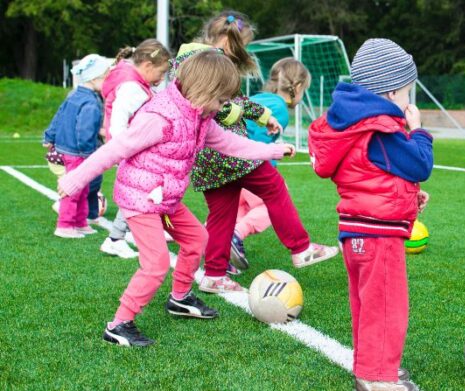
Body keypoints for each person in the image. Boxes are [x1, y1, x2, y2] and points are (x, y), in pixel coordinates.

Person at [57, 51, 296, 347]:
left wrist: (272, 150)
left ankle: (180, 299)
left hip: (165, 199)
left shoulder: (201, 116)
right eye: (221, 100)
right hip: (140, 199)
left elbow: (229, 143)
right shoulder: (159, 117)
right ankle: (118, 324)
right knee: (156, 264)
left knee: (198, 239)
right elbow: (115, 149)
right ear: (204, 90)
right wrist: (75, 179)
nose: (224, 107)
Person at [171, 10, 338, 294]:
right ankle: (301, 247)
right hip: (228, 151)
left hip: (207, 158)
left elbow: (234, 99)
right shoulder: (206, 61)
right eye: (240, 46)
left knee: (222, 214)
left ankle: (213, 274)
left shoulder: (192, 57)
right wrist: (244, 117)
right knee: (274, 187)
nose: (241, 52)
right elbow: (216, 105)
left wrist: (263, 116)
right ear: (227, 40)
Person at [308, 38, 433, 391]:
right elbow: (420, 162)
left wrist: (409, 197)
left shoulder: (353, 125)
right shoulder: (379, 129)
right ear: (391, 92)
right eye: (408, 92)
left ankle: (373, 367)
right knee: (386, 307)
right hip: (378, 234)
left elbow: (374, 175)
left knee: (368, 304)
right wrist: (419, 130)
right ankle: (376, 378)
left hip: (357, 230)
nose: (409, 101)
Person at [229, 57, 311, 270]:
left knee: (235, 210)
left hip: (228, 162)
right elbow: (257, 139)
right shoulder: (280, 110)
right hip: (249, 165)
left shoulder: (260, 98)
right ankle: (236, 235)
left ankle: (212, 241)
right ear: (298, 87)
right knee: (271, 204)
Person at [99, 38, 171, 259]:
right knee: (138, 191)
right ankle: (115, 238)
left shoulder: (137, 83)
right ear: (148, 66)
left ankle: (135, 231)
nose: (161, 80)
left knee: (146, 189)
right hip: (130, 149)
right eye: (161, 72)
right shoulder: (132, 87)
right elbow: (119, 120)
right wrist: (125, 147)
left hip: (133, 147)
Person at [43, 54, 112, 239]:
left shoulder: (74, 95)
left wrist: (49, 135)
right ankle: (65, 225)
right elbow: (85, 130)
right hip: (78, 152)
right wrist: (89, 154)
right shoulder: (90, 102)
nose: (107, 81)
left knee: (83, 187)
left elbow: (58, 115)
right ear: (94, 78)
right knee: (75, 188)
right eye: (106, 77)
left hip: (69, 149)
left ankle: (80, 222)